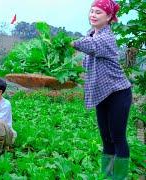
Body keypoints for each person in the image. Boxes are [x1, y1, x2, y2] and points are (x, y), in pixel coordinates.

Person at [71, 0, 132, 179]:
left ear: (108, 17)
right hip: (102, 94)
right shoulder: (91, 35)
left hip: (118, 94)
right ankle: (106, 176)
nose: (93, 15)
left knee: (118, 137)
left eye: (98, 12)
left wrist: (70, 43)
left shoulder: (106, 38)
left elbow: (91, 47)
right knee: (106, 138)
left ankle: (119, 177)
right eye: (92, 11)